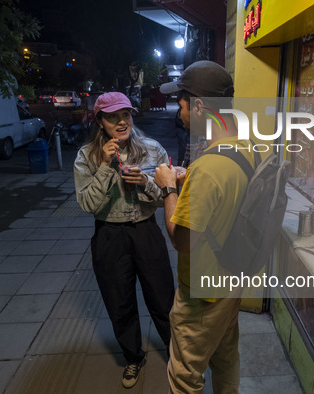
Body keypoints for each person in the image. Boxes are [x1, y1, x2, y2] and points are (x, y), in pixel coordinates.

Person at [153, 61, 254, 393]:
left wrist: (169, 186)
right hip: (230, 280)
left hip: (203, 295)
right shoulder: (242, 147)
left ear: (197, 106)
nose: (177, 110)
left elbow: (181, 240)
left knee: (184, 375)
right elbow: (224, 201)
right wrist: (189, 183)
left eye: (180, 102)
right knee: (225, 358)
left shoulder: (208, 168)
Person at [74, 92, 175, 389]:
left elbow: (166, 197)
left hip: (145, 230)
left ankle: (177, 354)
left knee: (163, 298)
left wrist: (145, 183)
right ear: (100, 122)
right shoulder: (86, 157)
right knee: (119, 302)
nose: (121, 122)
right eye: (112, 117)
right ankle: (133, 357)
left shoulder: (151, 150)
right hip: (109, 235)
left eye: (126, 115)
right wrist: (105, 167)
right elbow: (87, 205)